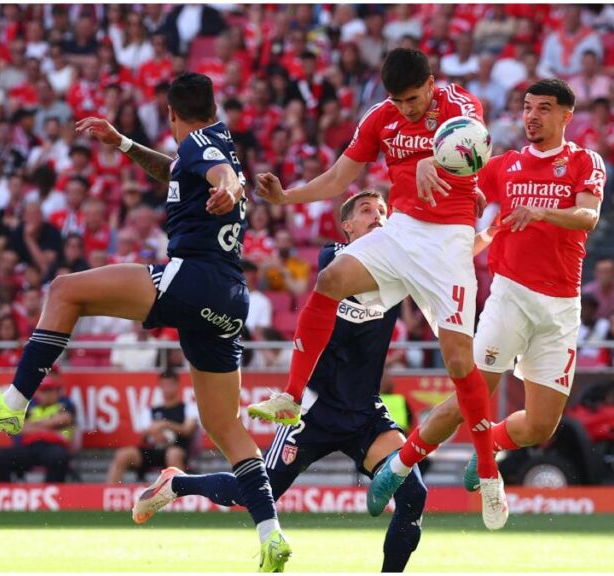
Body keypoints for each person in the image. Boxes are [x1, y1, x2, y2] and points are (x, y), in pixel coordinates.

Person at [0, 72, 290, 571]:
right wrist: (125, 143)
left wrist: (230, 188)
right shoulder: (213, 141)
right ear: (213, 109)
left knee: (64, 289)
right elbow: (184, 170)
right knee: (225, 426)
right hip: (229, 299)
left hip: (193, 278)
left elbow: (221, 175)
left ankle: (15, 402)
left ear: (170, 114)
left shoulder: (201, 145)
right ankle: (271, 533)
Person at [249, 48, 506, 529]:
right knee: (330, 278)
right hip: (401, 230)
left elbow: (474, 144)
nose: (405, 108)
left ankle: (489, 473)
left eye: (413, 99)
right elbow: (339, 177)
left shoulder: (458, 103)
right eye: (397, 100)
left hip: (448, 241)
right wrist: (286, 197)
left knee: (458, 363)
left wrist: (435, 161)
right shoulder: (381, 116)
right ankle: (291, 395)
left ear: (430, 84)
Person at [134, 191, 427, 571]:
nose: (377, 215)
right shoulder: (335, 256)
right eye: (366, 210)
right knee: (254, 493)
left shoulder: (398, 265)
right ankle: (177, 484)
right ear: (347, 226)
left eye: (383, 211)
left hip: (364, 411)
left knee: (413, 494)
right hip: (313, 410)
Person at [367, 79, 604, 507]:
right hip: (509, 297)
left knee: (541, 427)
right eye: (527, 107)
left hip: (561, 307)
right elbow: (453, 166)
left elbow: (588, 215)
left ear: (566, 116)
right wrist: (426, 163)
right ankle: (398, 466)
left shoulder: (584, 161)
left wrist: (542, 211)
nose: (531, 116)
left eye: (543, 108)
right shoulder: (502, 165)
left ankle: (490, 443)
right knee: (467, 398)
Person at [106, 369, 198, 483]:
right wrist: (156, 432)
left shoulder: (188, 408)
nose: (167, 388)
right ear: (160, 386)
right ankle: (112, 490)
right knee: (123, 455)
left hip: (177, 449)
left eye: (170, 385)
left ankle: (179, 490)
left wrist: (165, 424)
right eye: (164, 385)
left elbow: (187, 430)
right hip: (153, 450)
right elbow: (144, 433)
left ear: (177, 385)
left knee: (173, 454)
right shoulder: (150, 411)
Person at [0, 374, 75, 483]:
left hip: (53, 445)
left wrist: (33, 425)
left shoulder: (64, 406)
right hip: (30, 446)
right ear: (38, 393)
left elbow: (64, 419)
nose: (47, 394)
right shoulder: (30, 408)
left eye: (50, 391)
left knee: (59, 459)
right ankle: (5, 491)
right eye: (43, 391)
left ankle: (51, 491)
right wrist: (49, 427)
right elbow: (17, 428)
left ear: (56, 393)